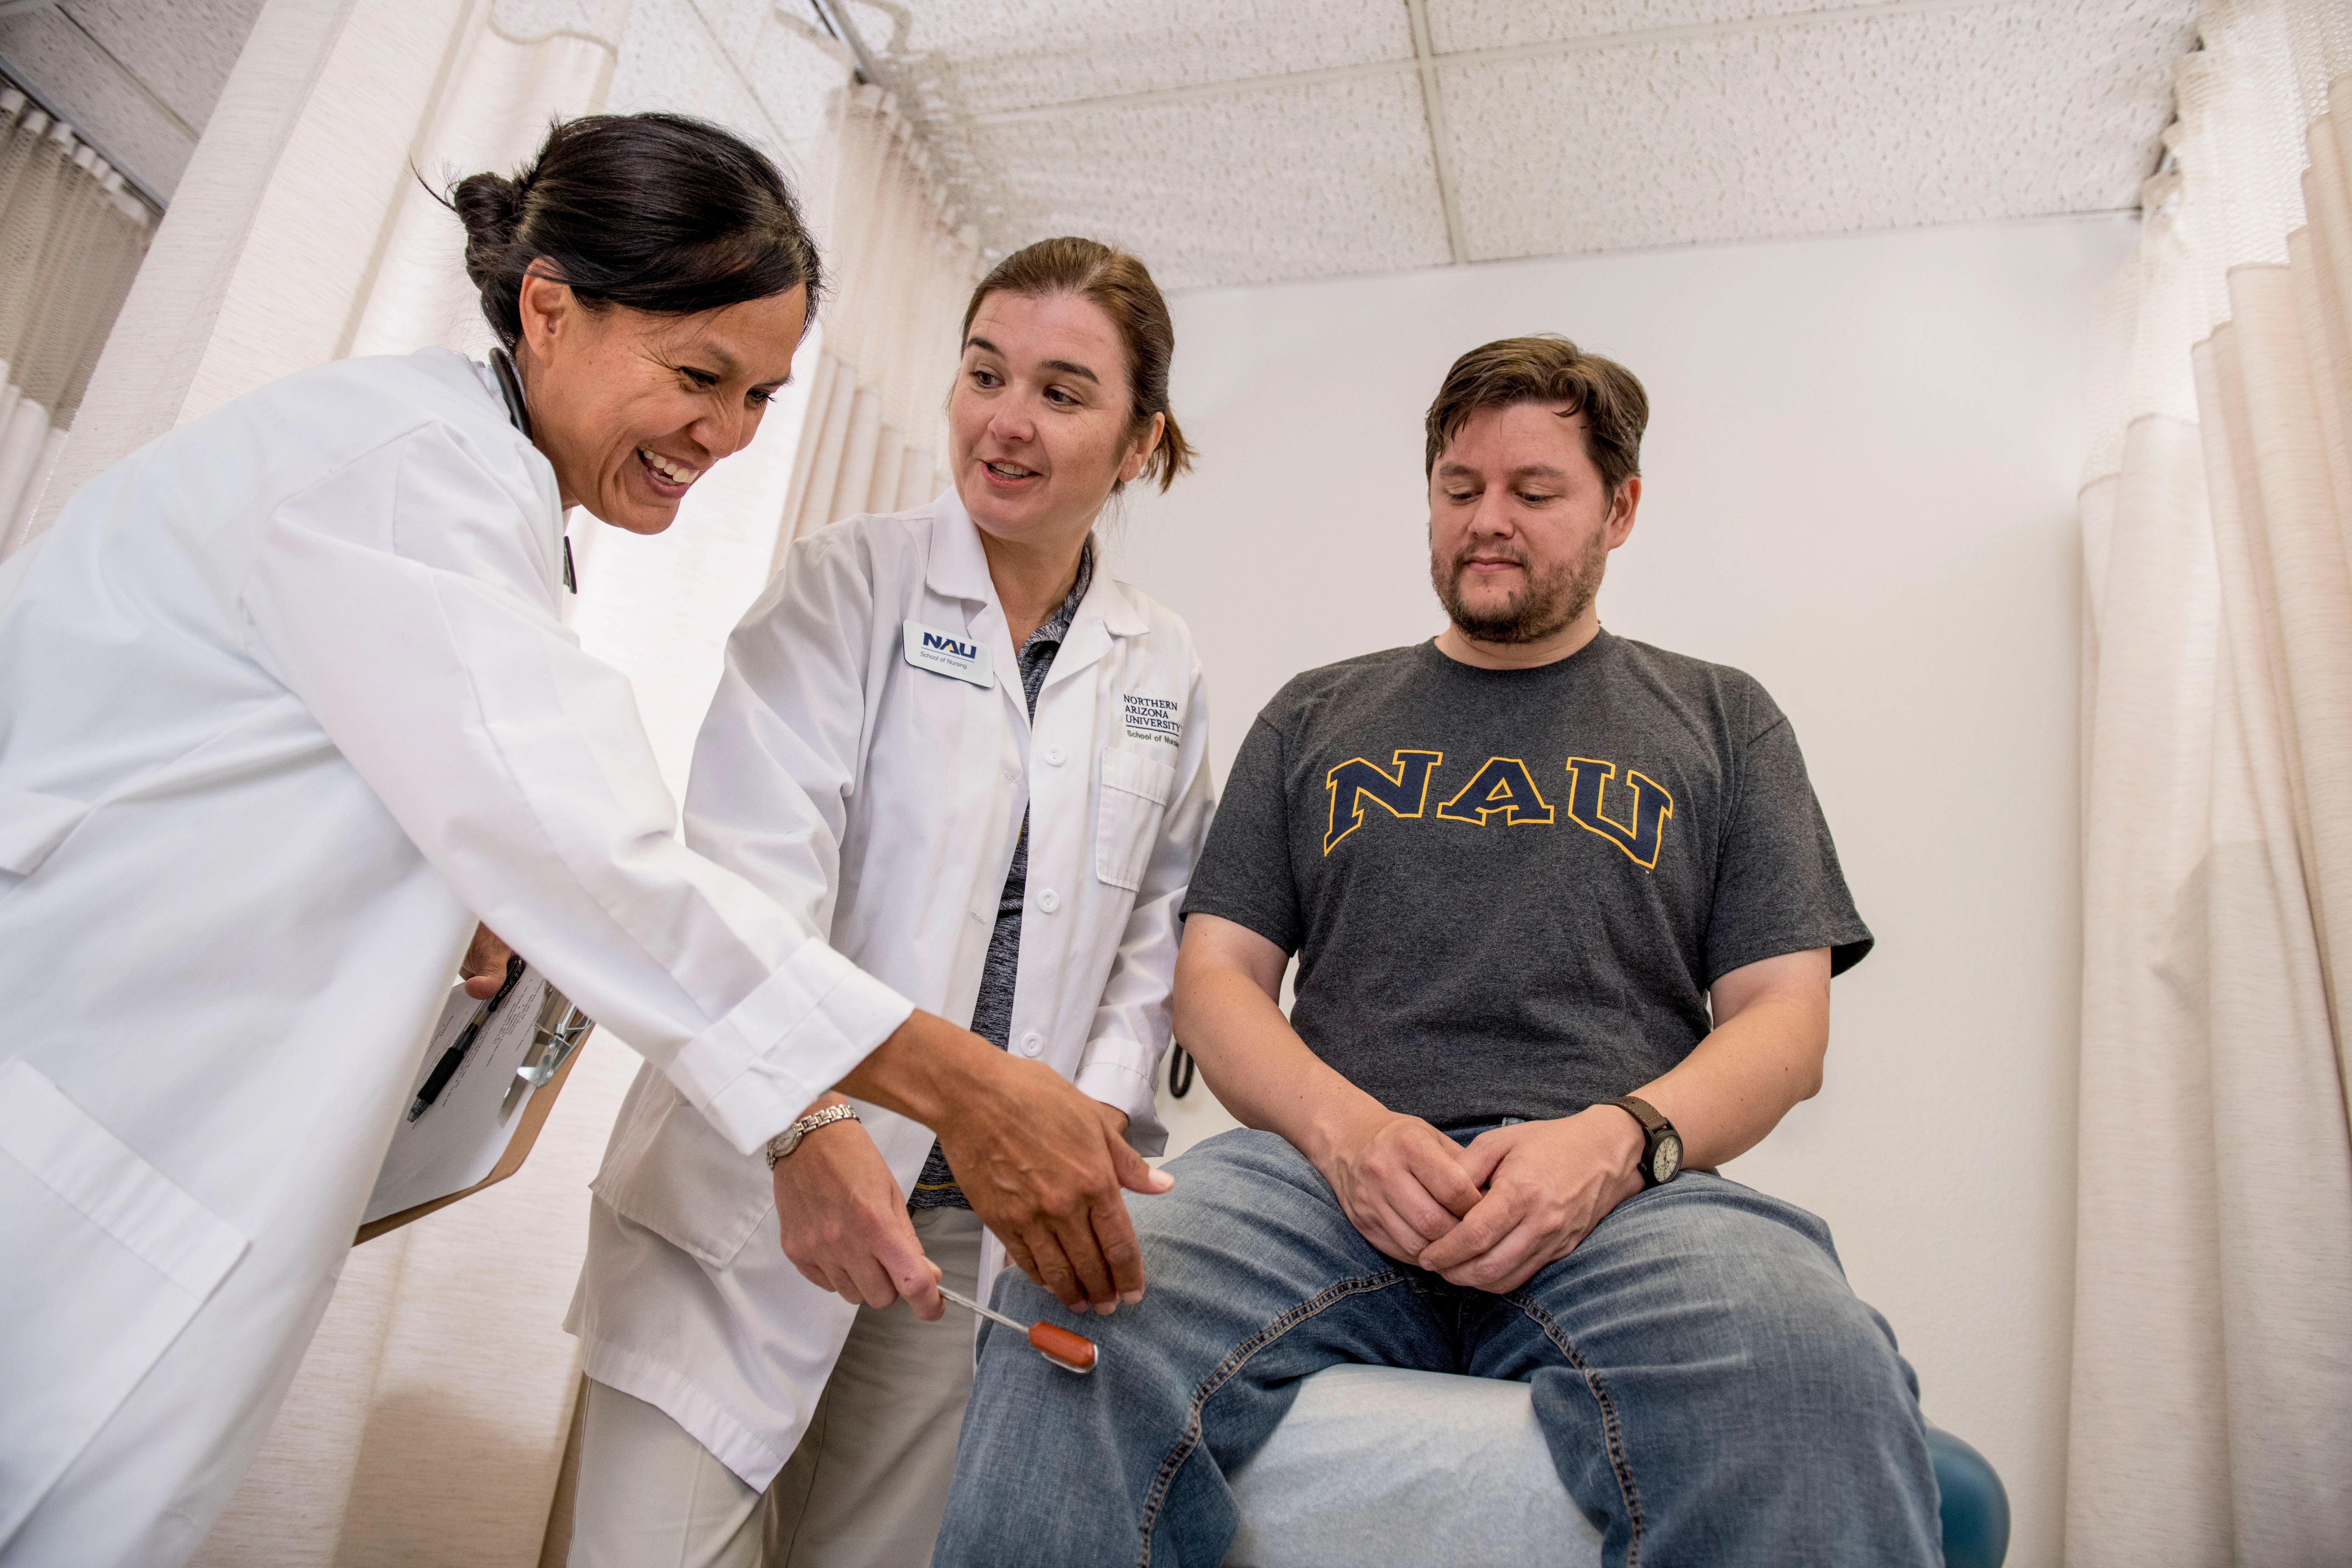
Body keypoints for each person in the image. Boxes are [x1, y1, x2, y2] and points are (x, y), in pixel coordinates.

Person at [0, 120, 1156, 1568]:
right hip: (75, 1124)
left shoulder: (473, 502)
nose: (726, 438)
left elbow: (446, 807)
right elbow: (616, 859)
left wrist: (458, 894)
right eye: (697, 379)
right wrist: (961, 1085)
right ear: (549, 307)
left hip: (146, 1139)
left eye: (758, 398)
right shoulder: (405, 477)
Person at [931, 334, 1945, 1567]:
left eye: (1534, 492)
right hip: (1323, 1184)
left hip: (1621, 1194)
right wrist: (1345, 1135)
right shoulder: (1318, 711)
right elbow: (1216, 982)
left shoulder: (1721, 717)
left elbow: (1786, 1025)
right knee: (1071, 1302)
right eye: (1460, 489)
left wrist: (1618, 1145)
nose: (1488, 522)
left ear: (1620, 510)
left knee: (1807, 1362)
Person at [562, 237, 1213, 1568]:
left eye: (1062, 391)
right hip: (765, 1182)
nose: (1007, 421)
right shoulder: (843, 585)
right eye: (985, 373)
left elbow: (1156, 942)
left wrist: (1082, 1128)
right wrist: (810, 1124)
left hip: (974, 1230)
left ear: (1140, 440)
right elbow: (746, 888)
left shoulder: (1162, 660)